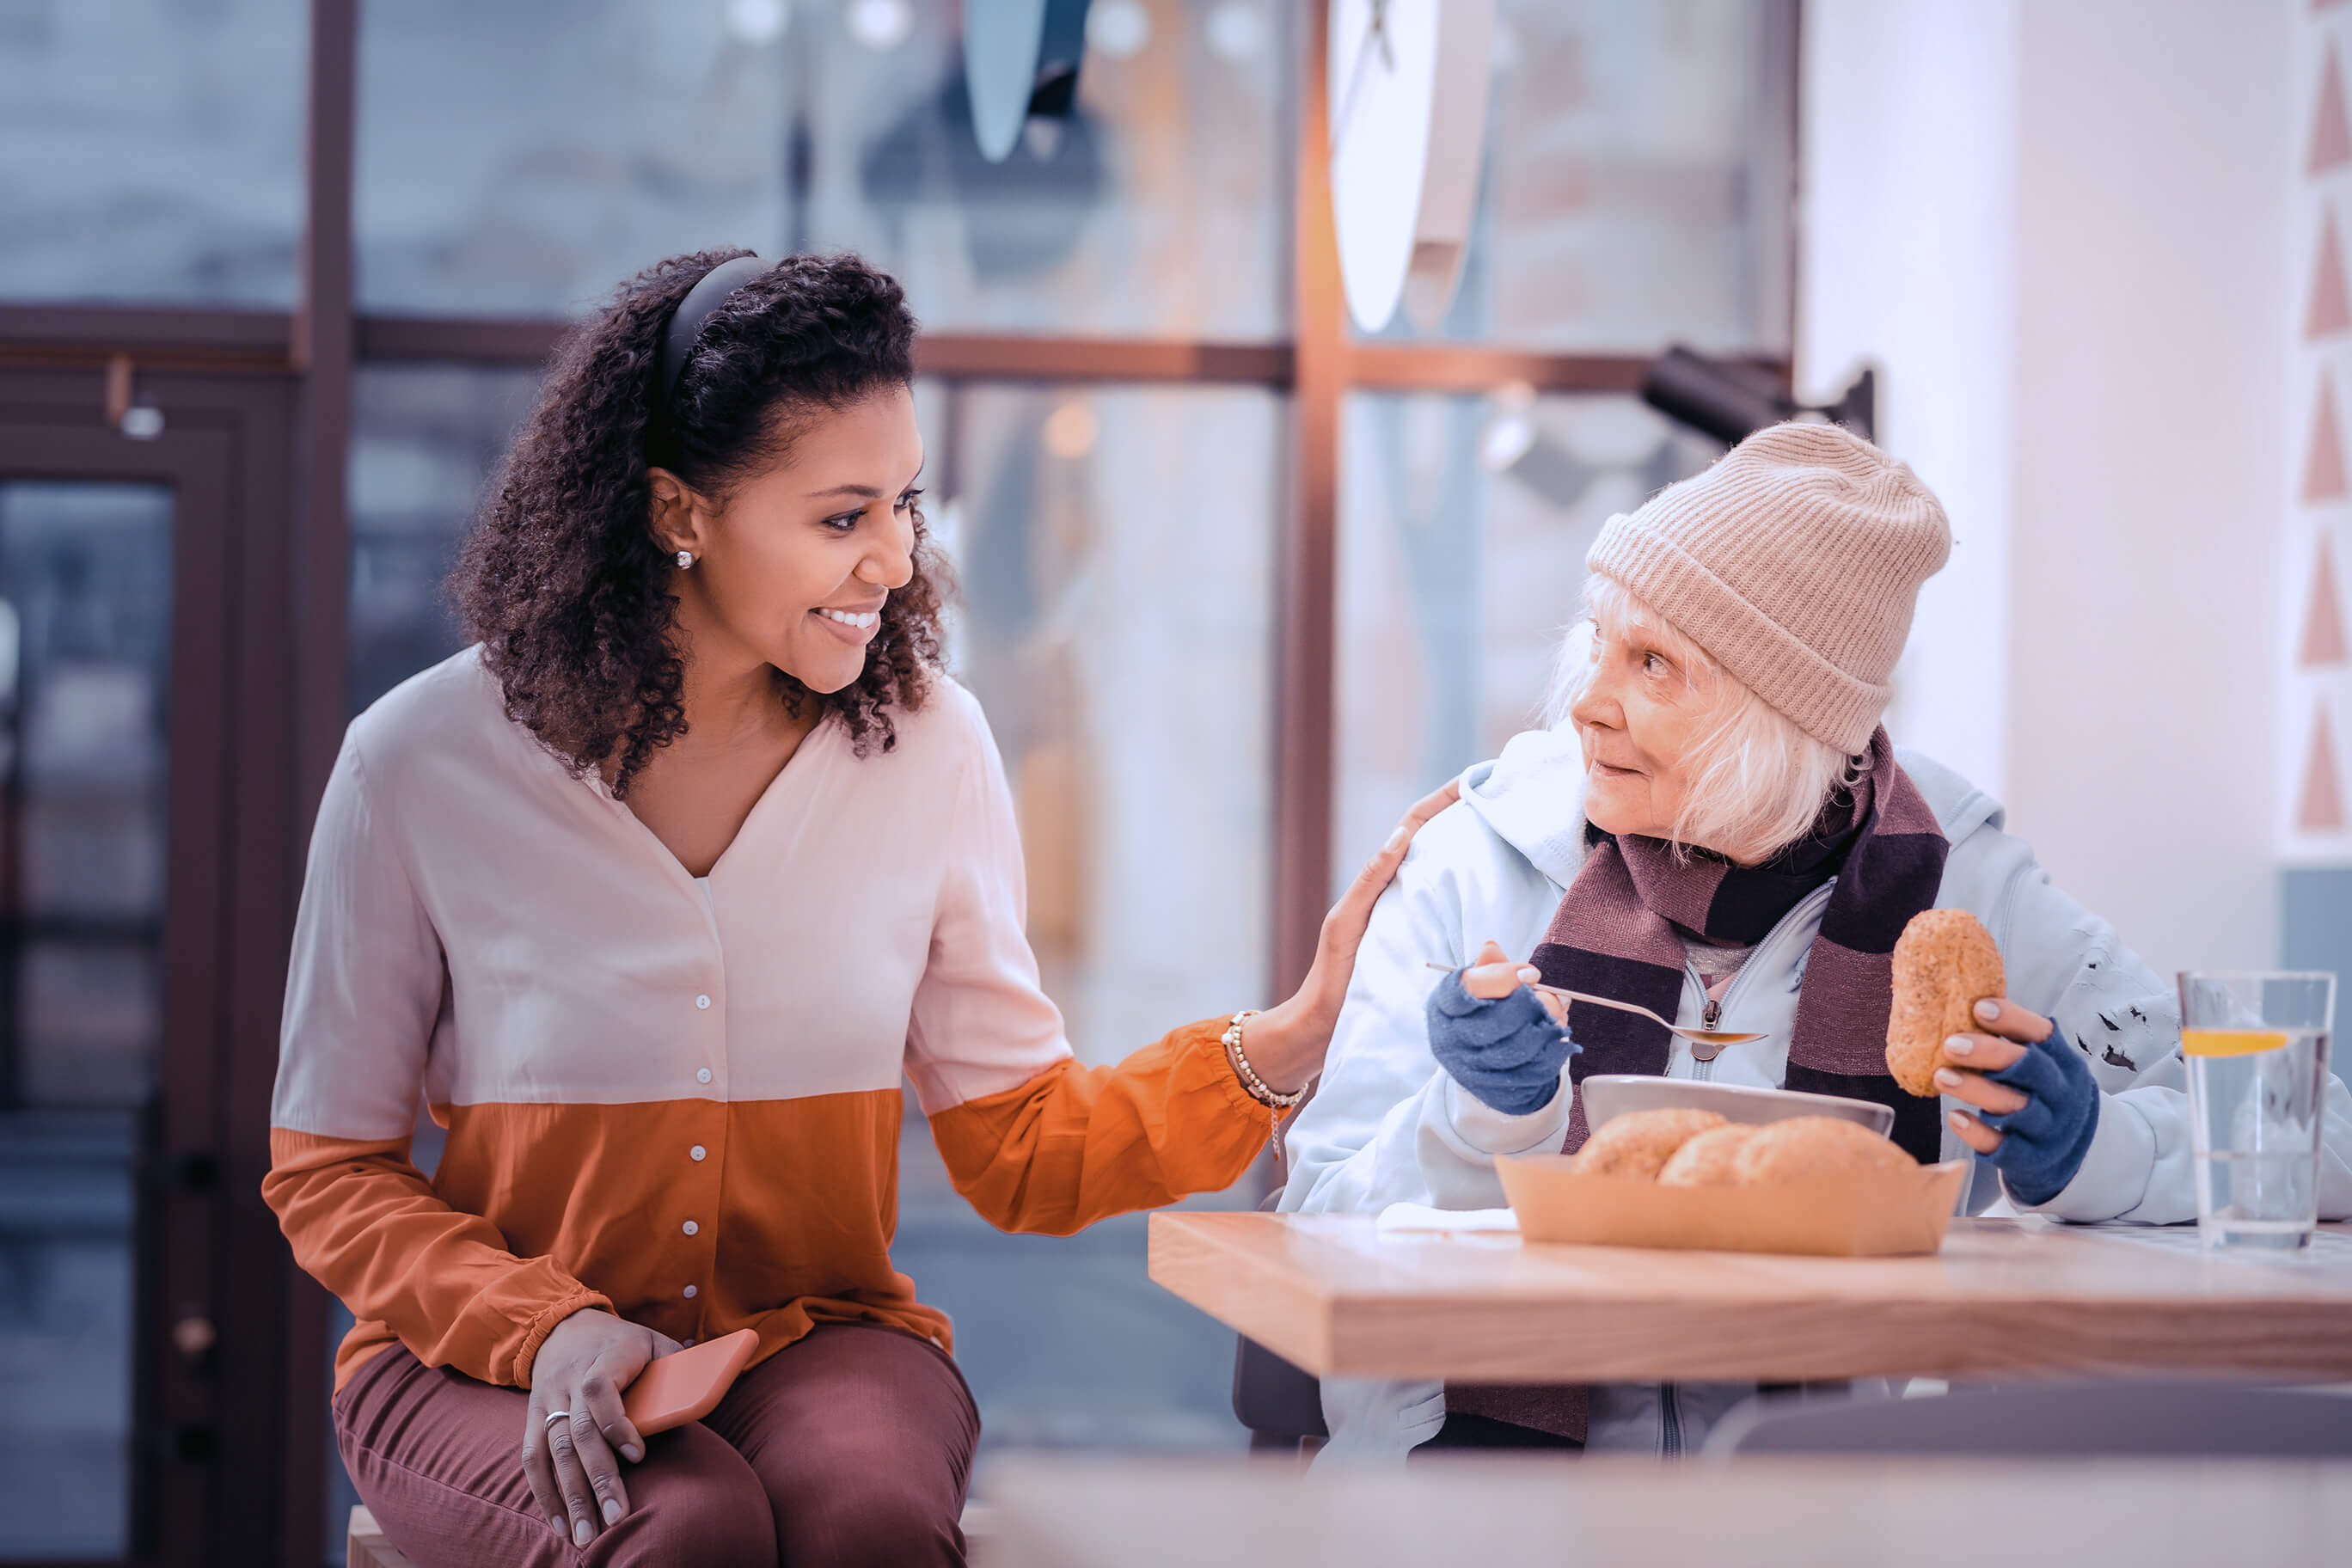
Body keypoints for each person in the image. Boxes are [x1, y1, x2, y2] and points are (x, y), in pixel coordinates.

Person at [261, 250, 1455, 1567]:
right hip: (476, 1366)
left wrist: (1283, 1045)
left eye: (905, 505)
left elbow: (1022, 1150)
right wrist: (545, 1328)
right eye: (842, 519)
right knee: (683, 1526)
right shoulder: (421, 763)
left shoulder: (931, 749)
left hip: (816, 1336)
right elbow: (332, 1173)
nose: (892, 560)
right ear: (681, 511)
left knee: (872, 1518)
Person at [1279, 420, 2352, 1460]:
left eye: (1655, 664)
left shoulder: (1960, 882)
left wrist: (2096, 1153)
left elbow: (2311, 1136)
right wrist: (1475, 1123)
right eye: (1599, 644)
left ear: (1785, 722)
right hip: (1463, 1511)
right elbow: (1311, 1227)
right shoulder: (1471, 861)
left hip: (1824, 1504)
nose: (1590, 705)